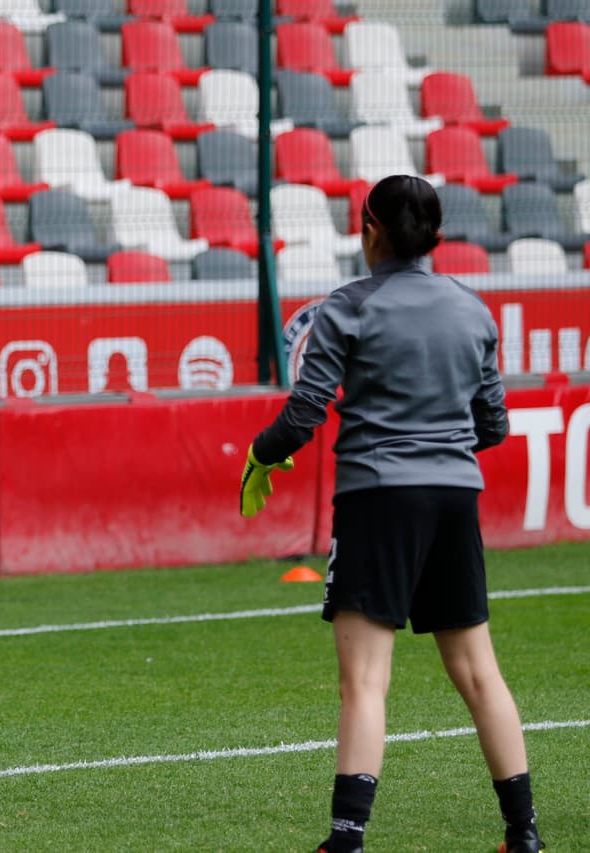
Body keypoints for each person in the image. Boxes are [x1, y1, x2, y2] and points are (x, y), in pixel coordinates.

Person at [239, 175, 543, 853]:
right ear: (433, 235)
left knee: (366, 679)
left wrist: (260, 455)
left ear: (369, 229)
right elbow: (492, 423)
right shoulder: (473, 310)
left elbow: (304, 414)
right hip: (453, 497)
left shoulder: (346, 307)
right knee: (478, 670)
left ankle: (346, 839)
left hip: (378, 497)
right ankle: (523, 833)